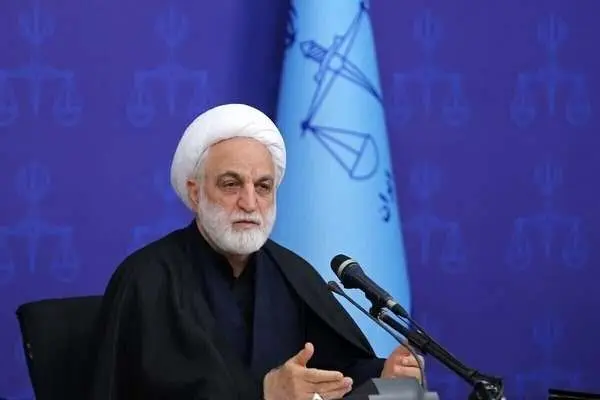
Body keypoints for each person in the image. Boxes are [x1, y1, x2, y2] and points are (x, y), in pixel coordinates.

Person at [84, 103, 424, 400]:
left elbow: (337, 370)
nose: (249, 202)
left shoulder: (292, 273)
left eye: (263, 186)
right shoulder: (146, 279)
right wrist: (263, 393)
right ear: (195, 193)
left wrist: (382, 373)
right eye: (231, 184)